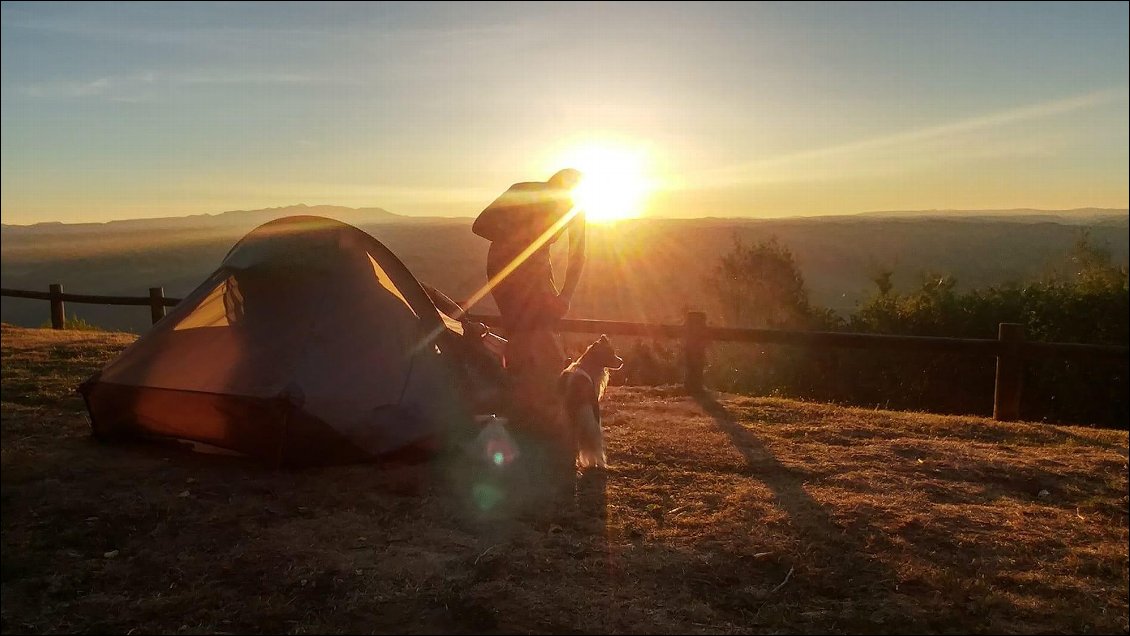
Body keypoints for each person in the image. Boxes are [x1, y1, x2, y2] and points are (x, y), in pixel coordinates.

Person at [472, 168, 587, 481]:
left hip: (536, 278)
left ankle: (534, 420)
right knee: (527, 341)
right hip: (506, 272)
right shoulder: (522, 190)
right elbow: (480, 225)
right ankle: (530, 423)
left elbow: (578, 254)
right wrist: (520, 230)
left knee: (540, 342)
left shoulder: (574, 207)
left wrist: (565, 295)